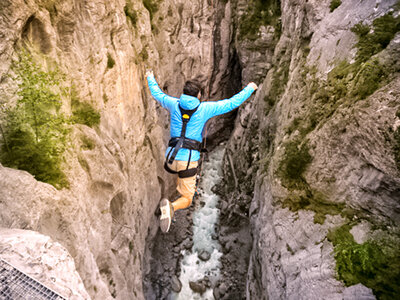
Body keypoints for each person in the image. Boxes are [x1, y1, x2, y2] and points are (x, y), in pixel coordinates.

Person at [146, 70, 257, 232]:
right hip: (188, 161)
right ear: (198, 95)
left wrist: (150, 77)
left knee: (181, 180)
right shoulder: (205, 109)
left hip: (170, 159)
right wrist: (250, 88)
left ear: (184, 93)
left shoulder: (172, 103)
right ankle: (170, 206)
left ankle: (172, 198)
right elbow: (231, 103)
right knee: (187, 199)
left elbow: (157, 93)